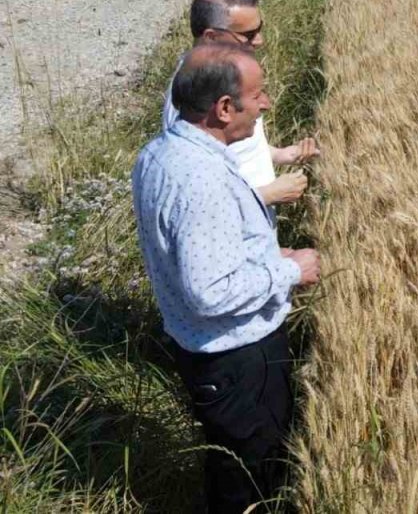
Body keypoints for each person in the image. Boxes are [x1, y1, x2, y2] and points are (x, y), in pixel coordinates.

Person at [133, 45, 321, 513]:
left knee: (233, 468)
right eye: (257, 95)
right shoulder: (203, 179)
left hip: (207, 354)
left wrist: (266, 252)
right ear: (223, 108)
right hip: (236, 359)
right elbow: (210, 292)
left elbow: (197, 252)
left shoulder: (160, 153)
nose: (266, 105)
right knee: (251, 480)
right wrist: (290, 270)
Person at [163, 0, 319, 207]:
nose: (260, 41)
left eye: (260, 29)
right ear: (211, 37)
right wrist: (267, 195)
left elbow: (234, 148)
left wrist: (280, 155)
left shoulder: (227, 77)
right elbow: (195, 200)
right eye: (248, 35)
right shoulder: (191, 98)